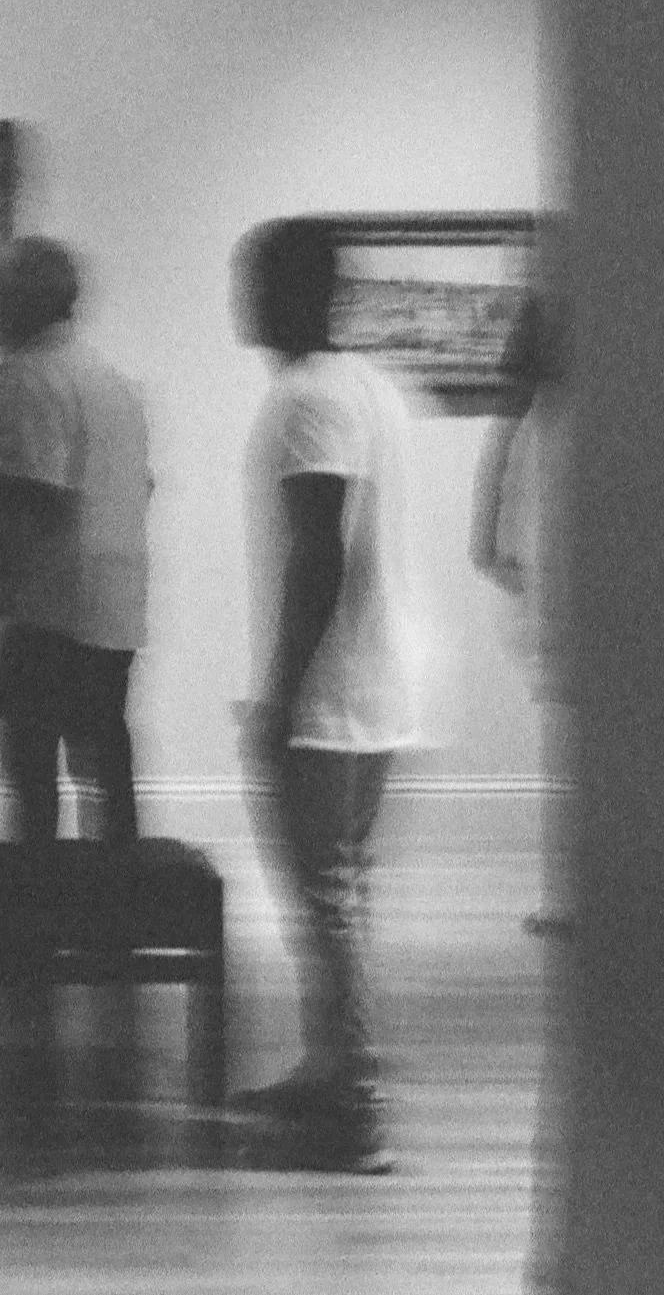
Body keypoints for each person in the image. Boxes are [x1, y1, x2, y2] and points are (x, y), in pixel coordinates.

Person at [231, 216, 424, 1174]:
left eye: (252, 279)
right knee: (337, 893)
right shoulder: (371, 388)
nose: (241, 297)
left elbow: (319, 552)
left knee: (326, 901)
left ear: (284, 293)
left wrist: (278, 694)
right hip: (374, 685)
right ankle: (327, 1070)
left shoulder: (309, 399)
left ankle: (356, 1108)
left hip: (331, 694)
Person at [0, 237, 153, 846]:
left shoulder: (28, 377)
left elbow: (38, 497)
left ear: (21, 302)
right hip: (116, 600)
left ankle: (38, 922)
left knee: (31, 785)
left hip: (50, 607)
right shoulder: (114, 383)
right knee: (107, 770)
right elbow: (141, 486)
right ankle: (117, 921)